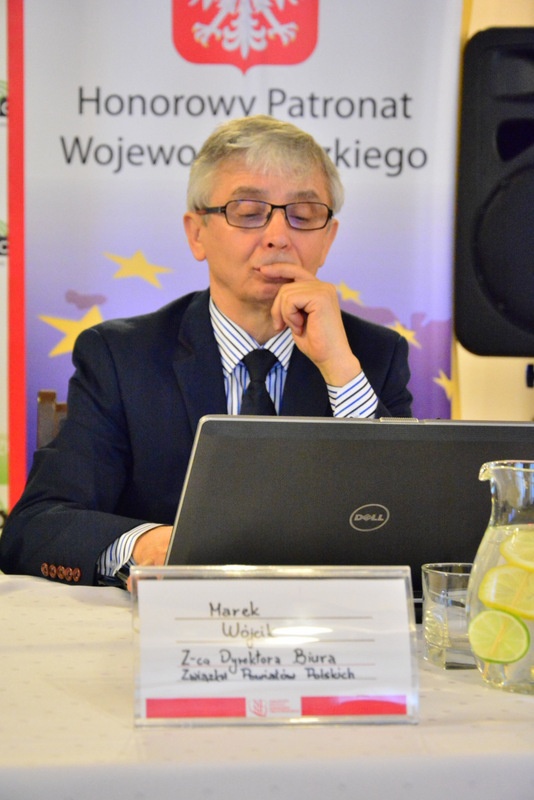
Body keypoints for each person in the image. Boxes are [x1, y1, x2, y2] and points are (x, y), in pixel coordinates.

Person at [0, 115, 412, 586]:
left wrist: (340, 369)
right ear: (197, 233)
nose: (279, 236)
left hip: (320, 622)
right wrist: (146, 546)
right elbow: (35, 527)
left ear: (328, 239)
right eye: (249, 211)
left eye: (303, 214)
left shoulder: (372, 356)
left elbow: (410, 525)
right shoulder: (121, 357)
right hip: (168, 622)